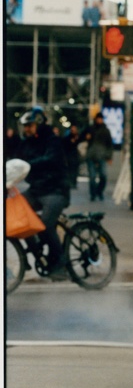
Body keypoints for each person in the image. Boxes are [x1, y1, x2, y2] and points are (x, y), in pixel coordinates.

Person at [17, 106, 71, 277]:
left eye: (30, 126)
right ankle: (37, 252)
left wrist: (29, 165)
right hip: (36, 189)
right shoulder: (27, 143)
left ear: (39, 124)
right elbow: (17, 160)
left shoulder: (51, 140)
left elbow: (50, 159)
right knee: (17, 213)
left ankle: (61, 263)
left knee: (46, 225)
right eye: (25, 126)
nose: (26, 129)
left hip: (55, 190)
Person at [82, 112, 114, 201]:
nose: (99, 120)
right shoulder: (90, 128)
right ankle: (93, 194)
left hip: (102, 155)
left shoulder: (105, 130)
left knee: (103, 175)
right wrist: (86, 137)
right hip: (91, 155)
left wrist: (109, 156)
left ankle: (99, 191)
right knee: (92, 176)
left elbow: (110, 144)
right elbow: (82, 137)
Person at [62, 123, 83, 189]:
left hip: (76, 157)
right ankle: (70, 183)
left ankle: (74, 182)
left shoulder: (79, 138)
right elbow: (65, 147)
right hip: (69, 157)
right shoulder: (67, 138)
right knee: (70, 171)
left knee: (75, 171)